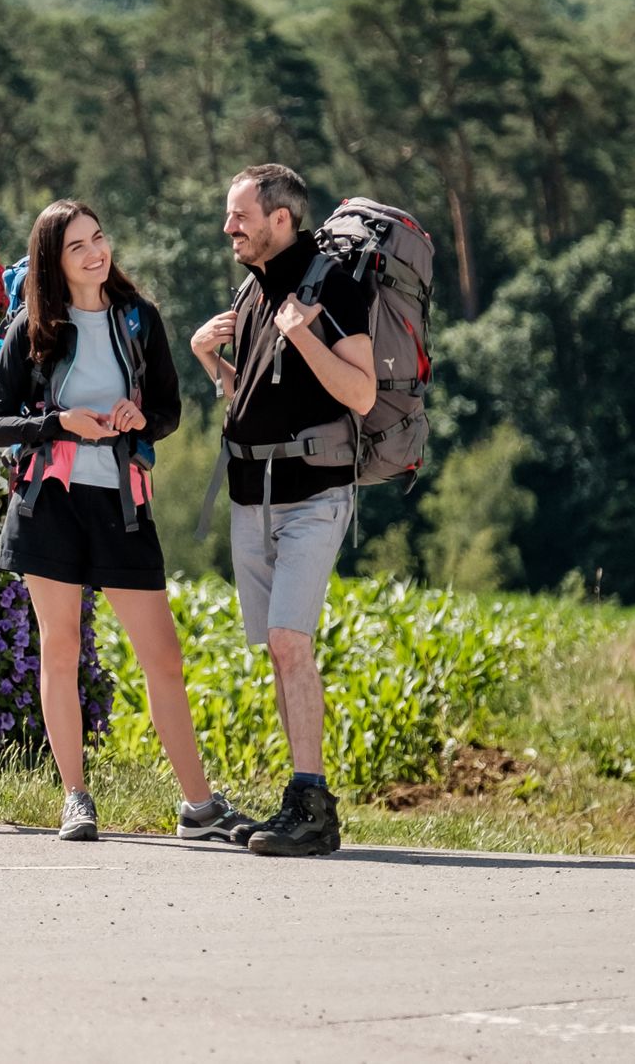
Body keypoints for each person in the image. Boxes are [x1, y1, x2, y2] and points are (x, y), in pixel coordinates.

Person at [0, 199, 259, 845]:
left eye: (98, 238)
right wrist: (59, 423)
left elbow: (167, 410)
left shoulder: (139, 319)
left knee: (163, 655)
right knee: (61, 650)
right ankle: (75, 797)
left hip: (123, 507)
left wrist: (140, 419)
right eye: (77, 245)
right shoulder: (32, 328)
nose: (94, 252)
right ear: (54, 259)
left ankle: (198, 805)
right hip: (47, 505)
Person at [188, 163, 377, 858]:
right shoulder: (253, 287)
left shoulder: (336, 287)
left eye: (240, 215)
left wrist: (303, 333)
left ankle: (313, 804)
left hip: (315, 495)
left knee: (292, 641)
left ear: (281, 218)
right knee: (276, 646)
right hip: (251, 494)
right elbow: (257, 399)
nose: (229, 226)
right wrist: (212, 361)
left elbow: (359, 394)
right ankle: (299, 798)